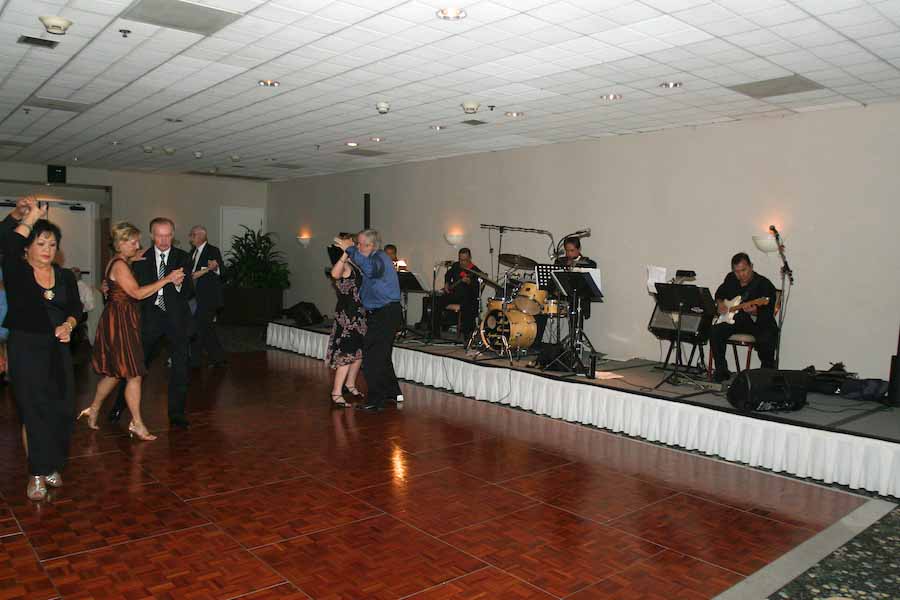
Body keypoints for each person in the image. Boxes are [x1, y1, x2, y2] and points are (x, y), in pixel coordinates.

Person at [1, 197, 82, 501]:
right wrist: (29, 217)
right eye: (41, 243)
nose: (47, 250)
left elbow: (74, 307)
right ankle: (37, 472)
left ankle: (51, 464)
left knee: (61, 409)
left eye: (52, 244)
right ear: (28, 248)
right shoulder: (17, 272)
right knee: (33, 410)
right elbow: (7, 243)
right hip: (26, 348)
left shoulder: (63, 276)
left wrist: (70, 325)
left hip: (57, 348)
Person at [78, 223, 185, 440]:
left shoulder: (119, 261)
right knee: (134, 374)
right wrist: (166, 279)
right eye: (133, 242)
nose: (138, 246)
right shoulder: (120, 265)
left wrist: (134, 258)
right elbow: (136, 293)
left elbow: (113, 282)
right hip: (120, 323)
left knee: (116, 373)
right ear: (121, 243)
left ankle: (94, 409)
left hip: (119, 320)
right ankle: (136, 423)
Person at [107, 217, 194, 429]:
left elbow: (190, 291)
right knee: (136, 367)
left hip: (176, 320)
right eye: (159, 235)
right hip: (149, 319)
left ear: (173, 235)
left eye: (168, 235)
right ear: (152, 235)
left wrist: (181, 285)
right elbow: (125, 284)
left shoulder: (183, 257)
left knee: (180, 367)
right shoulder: (139, 258)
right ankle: (119, 406)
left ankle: (176, 414)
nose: (164, 240)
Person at [335, 230, 402, 412]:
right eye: (356, 244)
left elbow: (371, 270)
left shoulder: (379, 258)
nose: (357, 247)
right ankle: (393, 393)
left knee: (372, 358)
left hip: (385, 313)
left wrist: (350, 249)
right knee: (382, 355)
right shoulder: (372, 260)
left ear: (371, 246)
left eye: (360, 244)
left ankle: (375, 401)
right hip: (383, 313)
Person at [710, 252, 779, 382]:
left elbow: (768, 310)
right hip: (736, 320)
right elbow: (719, 293)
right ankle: (721, 370)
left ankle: (766, 374)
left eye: (744, 270)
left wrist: (755, 312)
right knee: (715, 331)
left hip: (756, 322)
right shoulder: (730, 279)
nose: (741, 274)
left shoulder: (764, 284)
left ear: (751, 266)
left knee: (767, 335)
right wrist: (720, 303)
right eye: (737, 271)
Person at [326, 233, 366, 407]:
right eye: (351, 242)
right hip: (348, 317)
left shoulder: (354, 264)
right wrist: (345, 252)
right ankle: (336, 392)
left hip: (359, 314)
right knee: (347, 354)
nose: (355, 244)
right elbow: (334, 274)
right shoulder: (344, 264)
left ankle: (349, 384)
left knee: (358, 354)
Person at [188, 225, 226, 368]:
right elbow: (191, 273)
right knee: (206, 328)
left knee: (199, 327)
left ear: (200, 236)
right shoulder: (192, 252)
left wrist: (215, 268)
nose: (190, 238)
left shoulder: (212, 250)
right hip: (194, 297)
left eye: (192, 234)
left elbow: (222, 270)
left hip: (209, 298)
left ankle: (195, 361)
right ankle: (219, 358)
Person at [432, 247, 481, 341]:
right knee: (436, 301)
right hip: (454, 295)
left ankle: (467, 337)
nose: (462, 262)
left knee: (468, 306)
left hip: (467, 297)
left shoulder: (475, 271)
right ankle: (435, 332)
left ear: (470, 258)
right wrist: (446, 283)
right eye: (460, 260)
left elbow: (476, 290)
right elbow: (448, 275)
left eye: (465, 260)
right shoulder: (456, 266)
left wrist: (470, 282)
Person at [554, 237, 598, 319]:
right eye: (567, 251)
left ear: (578, 249)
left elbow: (592, 266)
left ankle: (576, 331)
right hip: (563, 297)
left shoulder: (588, 263)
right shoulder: (560, 262)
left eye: (572, 250)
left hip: (579, 300)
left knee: (575, 307)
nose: (569, 254)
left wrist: (575, 264)